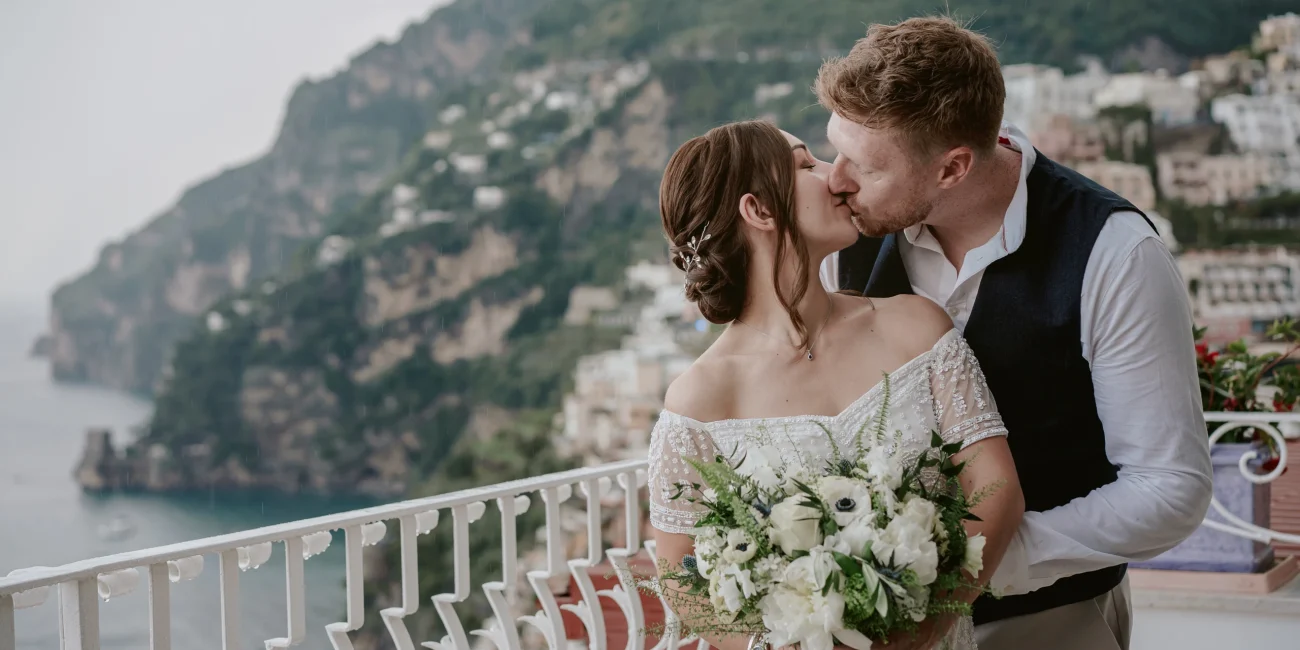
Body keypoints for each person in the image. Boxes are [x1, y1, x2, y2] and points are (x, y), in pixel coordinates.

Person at [815, 16, 1213, 650]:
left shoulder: (1114, 254)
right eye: (833, 147)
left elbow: (1170, 489)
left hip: (1053, 622)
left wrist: (966, 570)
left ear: (952, 168)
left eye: (863, 165)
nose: (835, 180)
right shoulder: (845, 245)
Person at [647, 119, 1026, 650]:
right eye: (806, 165)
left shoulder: (917, 327)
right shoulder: (701, 398)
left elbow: (998, 490)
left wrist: (928, 624)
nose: (836, 177)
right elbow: (680, 581)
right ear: (759, 211)